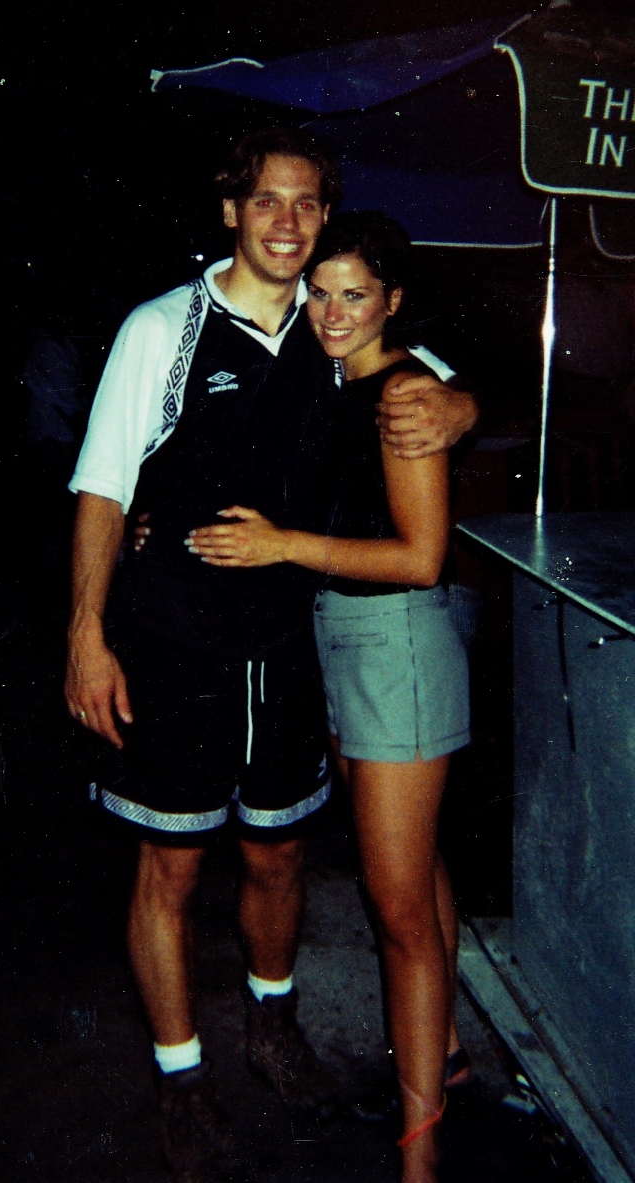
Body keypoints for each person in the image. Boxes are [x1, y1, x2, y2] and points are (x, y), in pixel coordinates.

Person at [64, 128, 476, 1180]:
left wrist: (463, 399)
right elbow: (104, 485)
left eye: (306, 204)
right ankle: (182, 1077)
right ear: (229, 211)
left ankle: (274, 1026)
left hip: (291, 645)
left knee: (279, 854)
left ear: (325, 219)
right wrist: (85, 635)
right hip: (173, 645)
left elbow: (409, 368)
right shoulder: (162, 327)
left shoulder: (324, 326)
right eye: (265, 201)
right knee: (171, 864)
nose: (287, 223)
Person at [184, 211, 470, 1182]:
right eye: (321, 291)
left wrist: (282, 546)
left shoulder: (403, 395)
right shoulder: (336, 379)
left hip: (395, 644)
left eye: (355, 294)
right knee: (414, 872)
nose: (332, 310)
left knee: (396, 911)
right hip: (343, 642)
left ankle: (420, 1156)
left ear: (392, 302)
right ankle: (447, 1056)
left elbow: (420, 557)